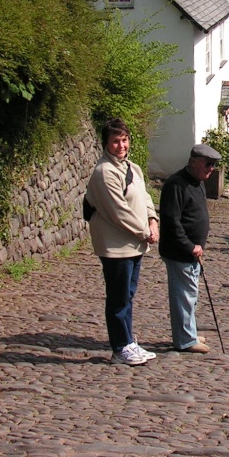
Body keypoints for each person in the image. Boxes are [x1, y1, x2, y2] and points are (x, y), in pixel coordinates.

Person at [84, 118, 159, 366]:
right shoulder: (104, 172)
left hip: (134, 244)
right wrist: (143, 231)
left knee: (128, 295)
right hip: (116, 246)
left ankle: (128, 341)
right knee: (117, 298)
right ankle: (119, 347)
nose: (121, 145)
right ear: (106, 143)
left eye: (124, 140)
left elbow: (145, 196)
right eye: (115, 141)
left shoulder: (133, 168)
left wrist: (152, 219)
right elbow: (118, 211)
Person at [158, 143, 221, 354]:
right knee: (184, 296)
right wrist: (189, 246)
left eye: (213, 165)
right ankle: (185, 339)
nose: (211, 169)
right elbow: (171, 222)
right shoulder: (177, 185)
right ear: (193, 162)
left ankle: (189, 331)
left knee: (191, 295)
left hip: (192, 252)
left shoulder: (197, 182)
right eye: (208, 164)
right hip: (180, 251)